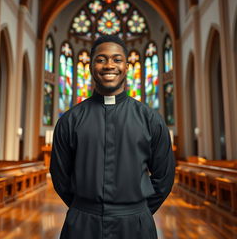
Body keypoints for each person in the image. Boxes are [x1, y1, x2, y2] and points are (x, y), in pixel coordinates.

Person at [50, 35, 175, 239]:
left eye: (117, 60)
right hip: (82, 224)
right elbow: (60, 176)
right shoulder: (70, 120)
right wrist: (85, 209)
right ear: (90, 66)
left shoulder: (150, 119)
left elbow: (164, 178)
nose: (109, 65)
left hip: (136, 225)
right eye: (101, 59)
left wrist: (137, 211)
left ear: (127, 66)